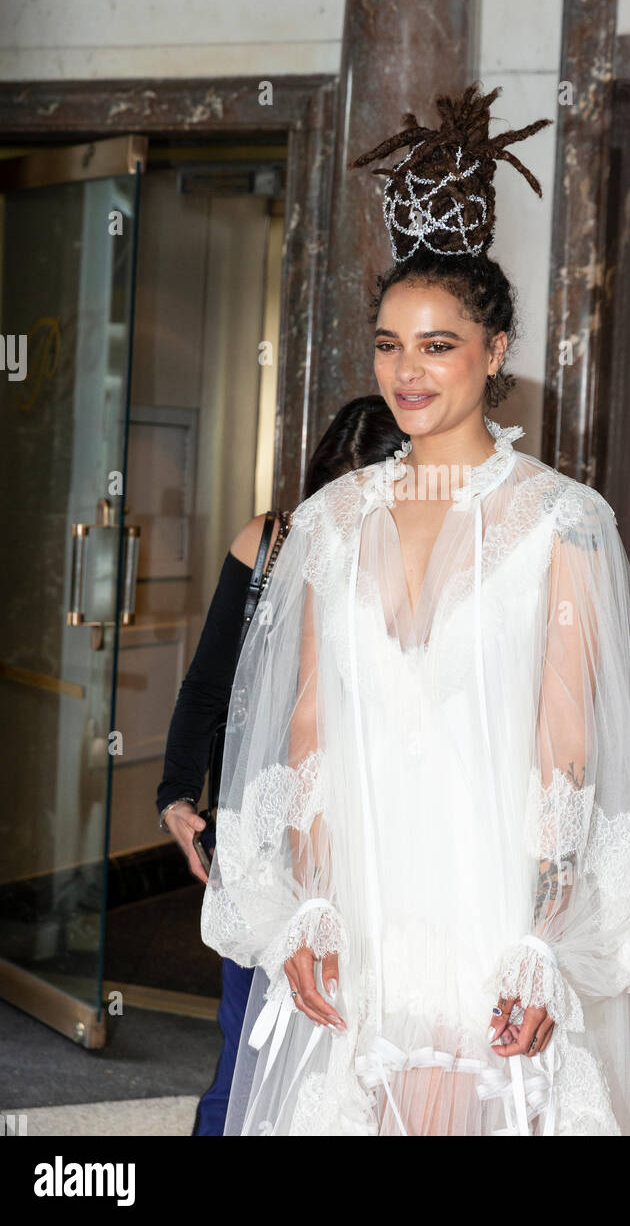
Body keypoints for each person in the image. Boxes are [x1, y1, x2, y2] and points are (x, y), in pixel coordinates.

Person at [200, 83, 630, 1136]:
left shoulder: (563, 522)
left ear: (494, 347)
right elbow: (306, 730)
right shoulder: (330, 523)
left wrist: (545, 937)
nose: (404, 371)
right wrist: (302, 907)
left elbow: (568, 751)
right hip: (362, 909)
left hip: (490, 909)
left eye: (434, 343)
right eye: (386, 343)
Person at [156, 394, 405, 1136]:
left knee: (355, 1049)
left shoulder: (433, 560)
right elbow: (207, 682)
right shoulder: (271, 542)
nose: (348, 519)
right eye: (336, 494)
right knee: (248, 1049)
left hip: (375, 837)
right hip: (262, 830)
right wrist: (175, 795)